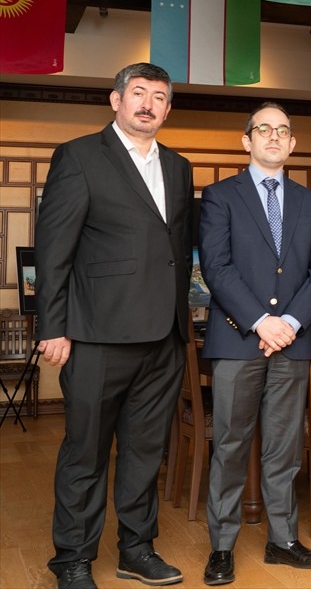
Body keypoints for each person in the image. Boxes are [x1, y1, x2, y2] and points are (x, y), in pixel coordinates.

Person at [35, 63, 192, 589]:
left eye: (160, 97)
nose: (149, 104)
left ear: (168, 109)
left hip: (163, 337)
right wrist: (52, 327)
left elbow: (176, 252)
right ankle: (72, 558)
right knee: (85, 451)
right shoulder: (80, 157)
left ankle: (136, 548)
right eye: (139, 94)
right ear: (116, 100)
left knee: (147, 451)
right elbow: (55, 250)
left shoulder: (178, 166)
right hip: (97, 334)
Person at [198, 103, 311, 584]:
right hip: (238, 341)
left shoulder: (310, 203)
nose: (273, 137)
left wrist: (291, 321)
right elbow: (217, 268)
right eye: (264, 129)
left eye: (283, 131)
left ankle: (283, 541)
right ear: (247, 140)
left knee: (284, 448)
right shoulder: (219, 196)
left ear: (293, 143)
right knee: (231, 446)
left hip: (292, 343)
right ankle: (222, 547)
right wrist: (260, 321)